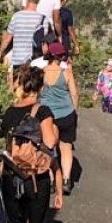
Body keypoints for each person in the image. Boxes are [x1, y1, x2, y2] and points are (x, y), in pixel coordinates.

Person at [0, 66, 63, 223]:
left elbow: (7, 145)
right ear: (40, 87)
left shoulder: (9, 112)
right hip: (36, 178)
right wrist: (54, 131)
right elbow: (50, 142)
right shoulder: (42, 110)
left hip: (11, 175)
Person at [38, 42, 83, 194]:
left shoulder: (42, 72)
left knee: (49, 147)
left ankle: (51, 180)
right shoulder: (66, 71)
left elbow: (38, 94)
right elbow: (74, 93)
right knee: (66, 147)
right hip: (66, 113)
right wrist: (75, 110)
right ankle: (66, 180)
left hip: (48, 115)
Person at [0, 0, 47, 72]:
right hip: (35, 62)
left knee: (17, 84)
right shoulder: (43, 18)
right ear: (38, 2)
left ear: (26, 0)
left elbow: (7, 40)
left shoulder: (16, 16)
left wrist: (0, 53)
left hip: (18, 61)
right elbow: (46, 45)